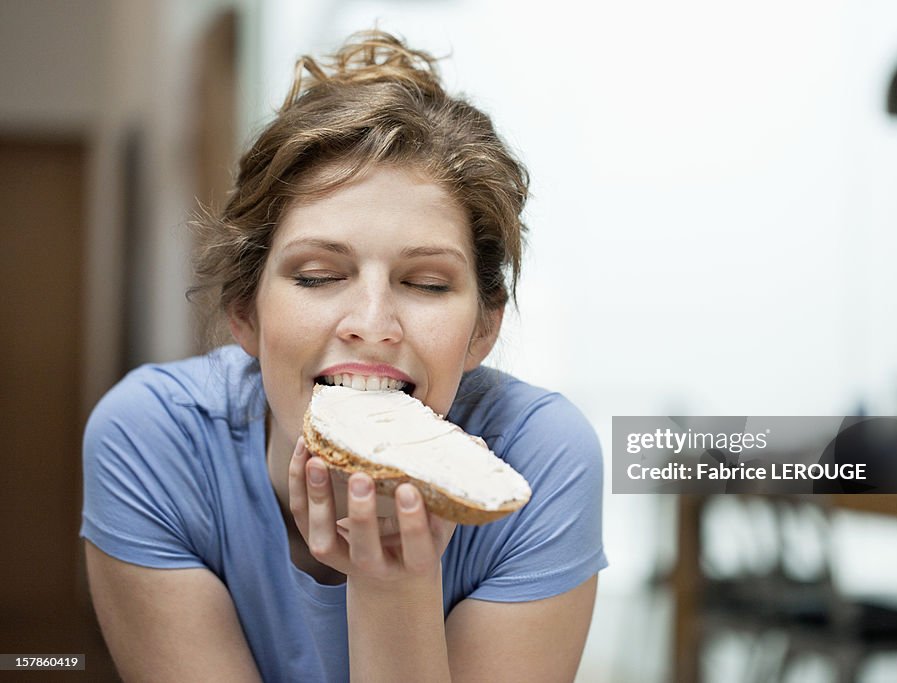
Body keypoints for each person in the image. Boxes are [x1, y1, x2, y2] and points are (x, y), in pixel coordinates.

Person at [81, 30, 606, 682]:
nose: (372, 324)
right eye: (319, 275)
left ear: (483, 328)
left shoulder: (540, 459)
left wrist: (393, 586)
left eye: (427, 284)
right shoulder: (152, 438)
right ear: (246, 310)